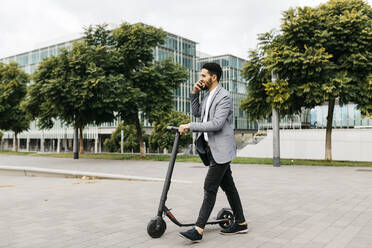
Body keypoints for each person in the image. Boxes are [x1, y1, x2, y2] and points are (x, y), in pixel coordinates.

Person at [178, 62, 248, 243]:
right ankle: (241, 223)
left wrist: (190, 126)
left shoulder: (224, 97)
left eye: (203, 76)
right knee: (229, 187)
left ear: (213, 77)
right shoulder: (208, 96)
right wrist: (194, 93)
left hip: (222, 150)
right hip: (211, 151)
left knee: (210, 187)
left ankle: (198, 229)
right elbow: (196, 113)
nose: (200, 79)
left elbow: (216, 124)